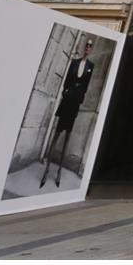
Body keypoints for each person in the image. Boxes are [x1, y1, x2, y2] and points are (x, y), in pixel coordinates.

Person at [39, 37, 95, 188]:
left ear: (91, 50)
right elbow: (66, 81)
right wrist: (66, 92)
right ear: (84, 48)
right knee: (56, 134)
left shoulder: (91, 65)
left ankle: (58, 173)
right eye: (86, 47)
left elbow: (86, 85)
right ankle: (47, 170)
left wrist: (80, 96)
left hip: (75, 103)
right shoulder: (74, 62)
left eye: (90, 47)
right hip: (67, 100)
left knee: (67, 137)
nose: (87, 49)